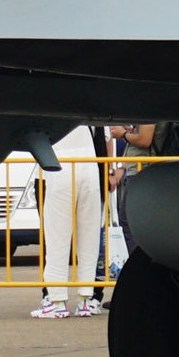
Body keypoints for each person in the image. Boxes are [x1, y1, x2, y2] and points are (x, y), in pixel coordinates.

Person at [32, 123, 107, 318]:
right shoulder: (88, 110)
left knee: (58, 237)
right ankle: (85, 299)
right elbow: (104, 138)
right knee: (89, 237)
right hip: (90, 167)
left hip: (60, 165)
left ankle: (57, 300)